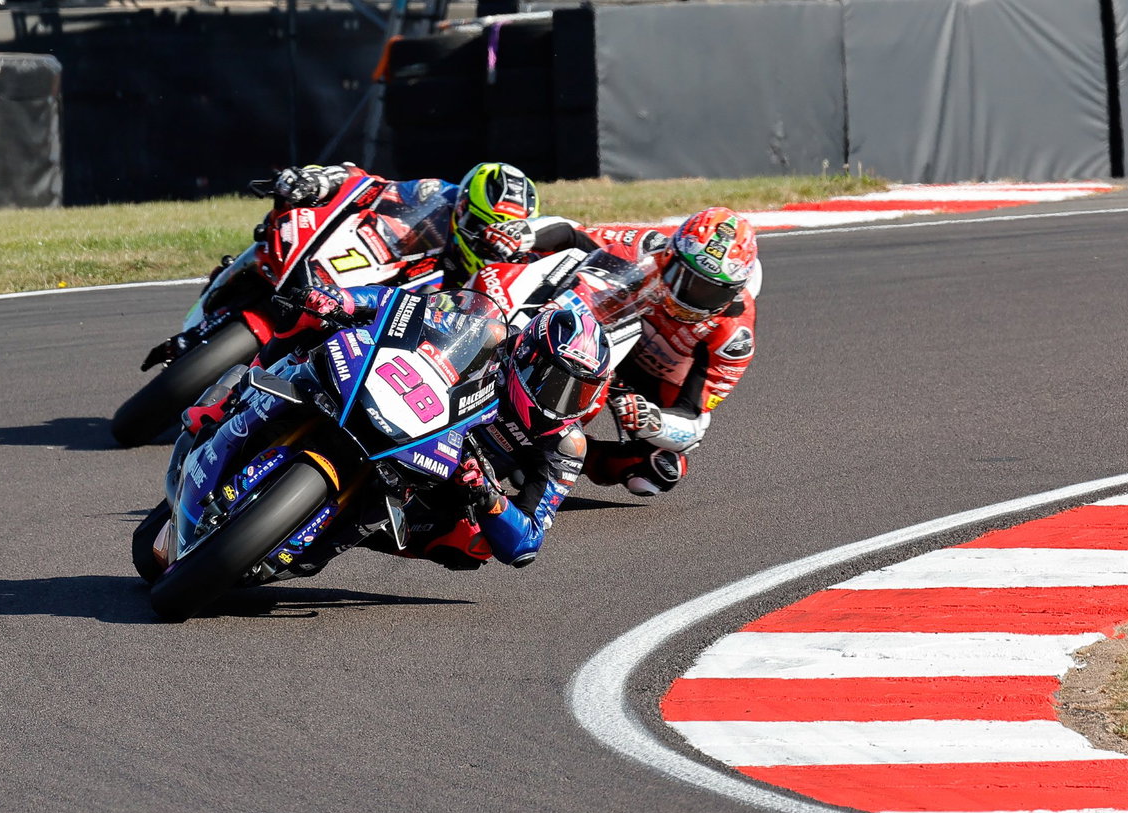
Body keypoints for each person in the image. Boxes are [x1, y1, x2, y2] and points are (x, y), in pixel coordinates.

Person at [189, 282, 613, 570]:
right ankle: (230, 397)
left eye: (579, 392)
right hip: (399, 401)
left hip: (442, 478)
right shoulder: (490, 336)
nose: (563, 402)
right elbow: (404, 306)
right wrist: (343, 300)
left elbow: (527, 542)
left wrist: (489, 497)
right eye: (559, 383)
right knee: (310, 317)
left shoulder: (564, 445)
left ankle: (324, 534)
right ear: (529, 356)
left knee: (474, 544)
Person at [476, 207, 760, 497]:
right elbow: (574, 234)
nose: (688, 297)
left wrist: (651, 419)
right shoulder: (648, 247)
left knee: (658, 470)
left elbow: (694, 421)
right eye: (681, 276)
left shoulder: (734, 337)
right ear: (670, 254)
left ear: (734, 291)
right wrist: (527, 232)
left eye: (707, 291)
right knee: (517, 270)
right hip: (604, 338)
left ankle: (555, 459)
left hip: (652, 385)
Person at [264, 160, 542, 288]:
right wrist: (322, 180)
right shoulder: (435, 194)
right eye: (480, 224)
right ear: (462, 205)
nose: (485, 238)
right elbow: (374, 187)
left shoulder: (508, 267)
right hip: (362, 265)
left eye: (496, 232)